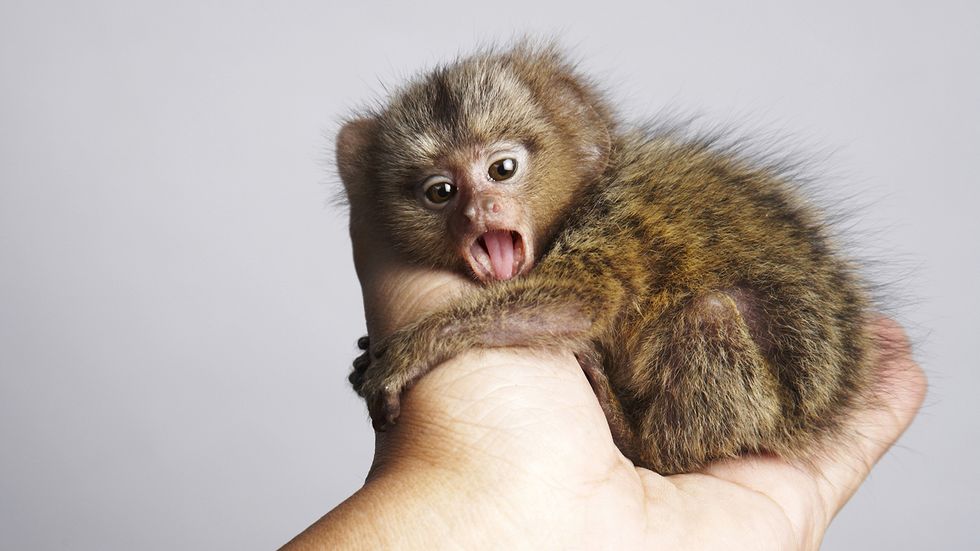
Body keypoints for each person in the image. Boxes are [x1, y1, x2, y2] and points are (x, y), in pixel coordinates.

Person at [281, 209, 926, 550]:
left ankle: (634, 430)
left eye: (505, 171)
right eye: (440, 193)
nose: (481, 208)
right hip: (679, 373)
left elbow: (580, 305)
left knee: (709, 316)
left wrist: (430, 340)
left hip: (732, 379)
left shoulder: (600, 217)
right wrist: (464, 492)